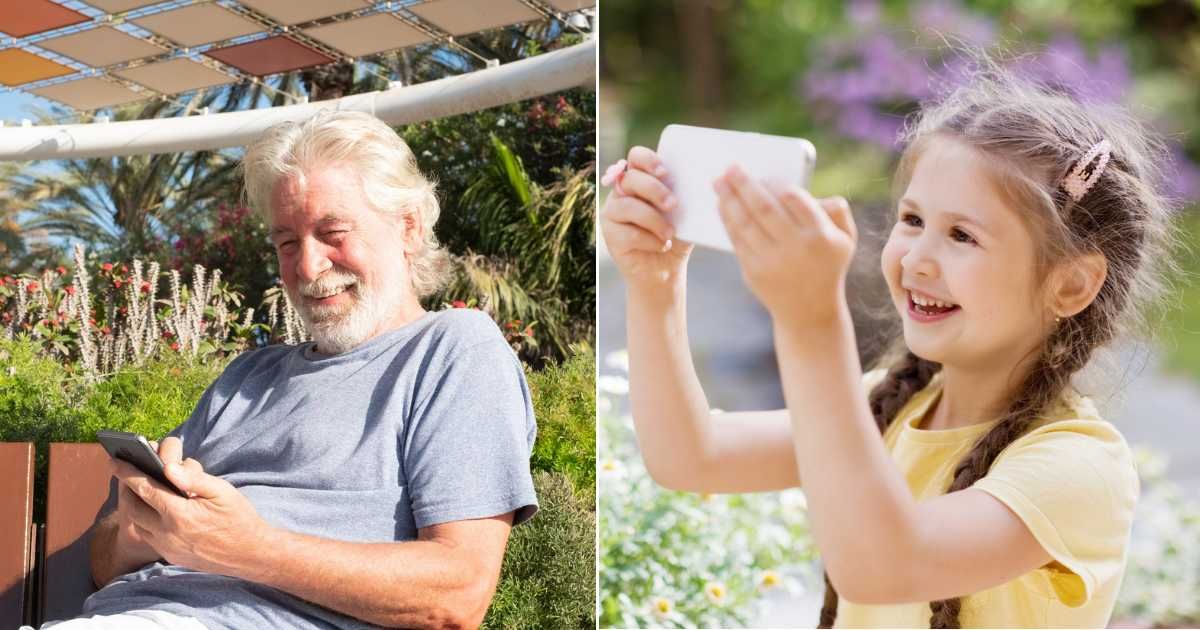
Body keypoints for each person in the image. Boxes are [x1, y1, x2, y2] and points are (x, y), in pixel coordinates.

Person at [599, 59, 1179, 628]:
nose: (918, 259)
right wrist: (656, 282)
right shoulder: (892, 404)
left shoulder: (1079, 467)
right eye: (912, 220)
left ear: (1071, 283)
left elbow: (881, 566)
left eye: (961, 235)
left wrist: (811, 320)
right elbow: (690, 456)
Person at [35, 110, 539, 630]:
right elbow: (101, 563)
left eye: (332, 233)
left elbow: (457, 595)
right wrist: (143, 530)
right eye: (287, 243)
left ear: (407, 227)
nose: (307, 267)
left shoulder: (453, 350)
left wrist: (244, 549)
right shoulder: (246, 379)